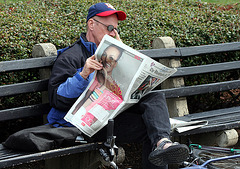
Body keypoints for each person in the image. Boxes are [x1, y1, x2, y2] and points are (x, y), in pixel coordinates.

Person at [47, 2, 189, 168]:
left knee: (154, 103)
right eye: (109, 28)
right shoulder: (71, 56)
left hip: (111, 118)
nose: (113, 33)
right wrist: (83, 74)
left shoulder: (114, 53)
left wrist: (125, 56)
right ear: (91, 24)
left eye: (116, 29)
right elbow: (57, 98)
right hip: (84, 124)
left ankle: (163, 143)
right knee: (154, 128)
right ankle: (161, 140)